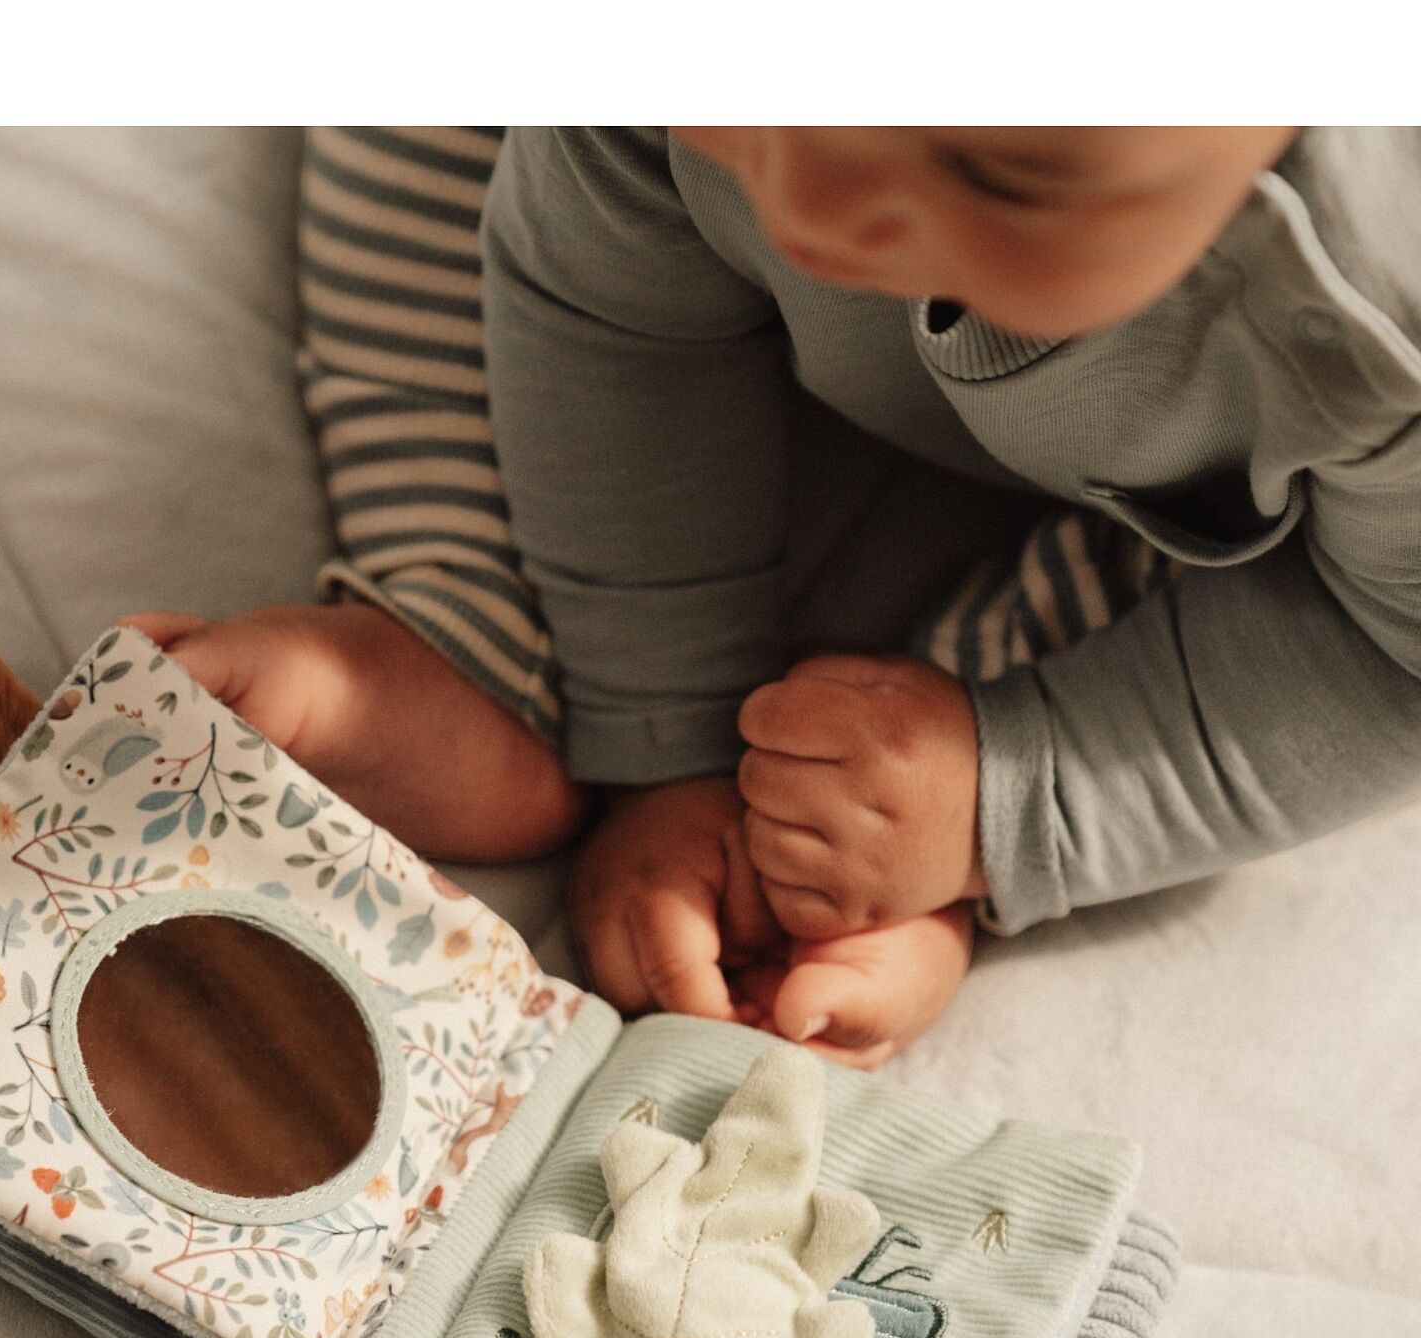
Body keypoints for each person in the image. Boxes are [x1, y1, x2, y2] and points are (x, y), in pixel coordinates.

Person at [123, 125, 1421, 1066]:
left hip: (1166, 478)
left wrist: (1008, 794)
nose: (811, 204)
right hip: (604, 238)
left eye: (997, 169)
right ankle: (467, 615)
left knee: (1233, 596)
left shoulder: (1382, 307)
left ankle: (910, 834)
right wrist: (662, 728)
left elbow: (1391, 653)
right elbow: (600, 307)